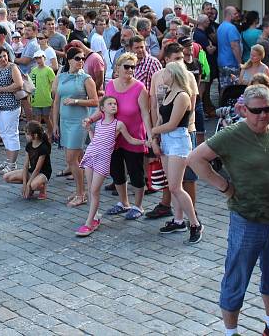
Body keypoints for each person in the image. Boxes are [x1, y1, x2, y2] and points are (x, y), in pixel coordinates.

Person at [188, 84, 269, 336]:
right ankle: (232, 332)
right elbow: (195, 159)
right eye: (257, 110)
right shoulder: (231, 135)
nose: (263, 115)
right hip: (247, 220)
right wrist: (225, 187)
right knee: (237, 277)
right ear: (244, 110)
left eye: (268, 109)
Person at [76, 95, 148, 237]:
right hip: (91, 154)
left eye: (115, 104)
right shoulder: (100, 123)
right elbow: (95, 140)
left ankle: (88, 223)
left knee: (95, 190)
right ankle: (95, 217)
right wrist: (90, 129)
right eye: (110, 104)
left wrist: (144, 142)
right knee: (90, 189)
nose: (114, 106)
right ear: (102, 109)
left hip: (103, 159)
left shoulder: (118, 124)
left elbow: (131, 140)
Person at [150, 62, 203, 243]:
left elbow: (172, 123)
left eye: (165, 73)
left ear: (172, 75)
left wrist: (153, 132)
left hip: (178, 141)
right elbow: (160, 117)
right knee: (172, 183)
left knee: (175, 186)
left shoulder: (182, 96)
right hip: (166, 139)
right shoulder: (168, 92)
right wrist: (154, 137)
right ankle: (179, 220)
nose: (161, 76)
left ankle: (195, 223)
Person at [101, 52, 152, 220]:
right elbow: (104, 108)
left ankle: (138, 206)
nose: (130, 70)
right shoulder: (110, 85)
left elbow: (146, 114)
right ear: (117, 68)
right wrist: (94, 122)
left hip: (134, 136)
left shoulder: (139, 88)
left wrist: (150, 136)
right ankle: (123, 202)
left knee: (136, 172)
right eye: (127, 66)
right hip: (113, 136)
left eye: (133, 67)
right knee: (116, 171)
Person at [51, 47, 99, 207]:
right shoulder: (62, 76)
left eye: (83, 58)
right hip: (64, 122)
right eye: (77, 58)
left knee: (71, 159)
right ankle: (81, 190)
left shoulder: (86, 79)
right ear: (69, 60)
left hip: (79, 123)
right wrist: (55, 124)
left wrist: (76, 101)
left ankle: (81, 194)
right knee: (76, 160)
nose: (81, 61)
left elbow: (95, 101)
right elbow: (56, 101)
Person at [0, 47, 24, 174]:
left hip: (10, 105)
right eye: (0, 57)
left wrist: (0, 89)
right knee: (3, 133)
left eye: (5, 56)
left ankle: (12, 164)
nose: (3, 59)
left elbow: (19, 84)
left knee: (11, 133)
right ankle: (9, 159)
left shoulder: (12, 67)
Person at [2, 121, 52, 201]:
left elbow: (37, 169)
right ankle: (31, 185)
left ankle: (42, 188)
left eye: (27, 134)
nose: (25, 136)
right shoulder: (29, 145)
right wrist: (24, 184)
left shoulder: (43, 147)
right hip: (32, 170)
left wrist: (28, 185)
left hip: (43, 173)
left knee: (33, 185)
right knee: (6, 177)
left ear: (35, 135)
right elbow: (26, 165)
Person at [30, 50, 55, 139]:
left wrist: (53, 98)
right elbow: (31, 84)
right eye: (36, 58)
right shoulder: (33, 70)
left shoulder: (49, 70)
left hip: (46, 98)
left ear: (44, 58)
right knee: (37, 119)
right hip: (36, 98)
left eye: (40, 58)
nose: (38, 60)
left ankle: (51, 133)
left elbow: (53, 84)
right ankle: (39, 135)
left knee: (46, 117)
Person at [217, 6, 243, 87]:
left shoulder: (220, 26)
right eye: (235, 14)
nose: (237, 15)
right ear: (230, 15)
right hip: (231, 63)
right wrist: (240, 63)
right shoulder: (231, 28)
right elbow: (235, 46)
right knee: (233, 88)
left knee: (224, 87)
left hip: (222, 62)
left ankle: (222, 100)